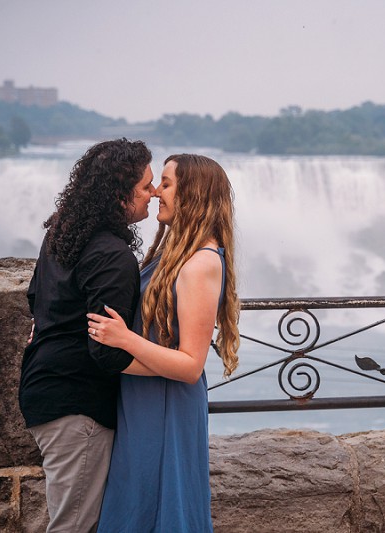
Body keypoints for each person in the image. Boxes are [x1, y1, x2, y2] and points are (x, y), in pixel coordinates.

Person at [87, 153, 240, 532]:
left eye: (167, 184)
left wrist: (123, 341)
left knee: (159, 512)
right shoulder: (174, 255)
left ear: (194, 195)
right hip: (143, 400)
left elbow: (190, 365)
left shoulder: (201, 263)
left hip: (168, 408)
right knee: (134, 508)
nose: (156, 193)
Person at [19, 138, 157, 533]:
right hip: (76, 404)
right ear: (119, 192)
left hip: (44, 388)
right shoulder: (112, 256)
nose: (153, 194)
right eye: (146, 185)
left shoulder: (63, 234)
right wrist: (175, 369)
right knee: (74, 526)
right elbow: (106, 351)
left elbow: (36, 299)